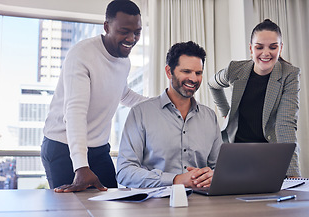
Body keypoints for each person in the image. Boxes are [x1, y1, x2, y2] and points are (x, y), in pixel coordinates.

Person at [41, 0, 147, 193]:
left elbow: (123, 94)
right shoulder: (82, 54)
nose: (132, 38)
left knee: (109, 205)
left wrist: (163, 102)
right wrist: (81, 166)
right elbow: (75, 113)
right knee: (72, 216)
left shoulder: (124, 61)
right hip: (63, 147)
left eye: (137, 32)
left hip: (98, 149)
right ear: (106, 27)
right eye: (124, 31)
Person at [116, 41, 223, 188]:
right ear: (169, 72)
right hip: (154, 205)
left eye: (198, 73)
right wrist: (175, 180)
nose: (193, 79)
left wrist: (213, 176)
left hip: (201, 203)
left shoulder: (209, 117)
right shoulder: (141, 113)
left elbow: (219, 168)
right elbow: (125, 171)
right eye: (186, 71)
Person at [208, 19, 301, 177]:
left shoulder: (289, 75)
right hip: (235, 150)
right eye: (259, 47)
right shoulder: (235, 69)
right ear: (251, 49)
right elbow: (213, 84)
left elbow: (285, 124)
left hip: (268, 153)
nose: (266, 53)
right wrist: (225, 111)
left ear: (281, 48)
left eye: (273, 47)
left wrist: (292, 174)